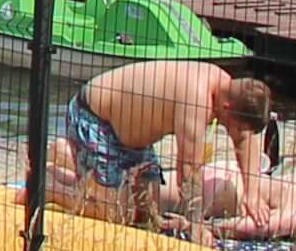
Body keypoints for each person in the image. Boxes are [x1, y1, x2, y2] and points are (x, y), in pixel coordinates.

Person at [53, 61, 275, 227]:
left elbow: (246, 139)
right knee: (117, 215)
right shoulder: (197, 99)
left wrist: (251, 191)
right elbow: (188, 171)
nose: (237, 135)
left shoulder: (229, 89)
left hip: (132, 139)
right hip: (95, 118)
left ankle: (66, 167)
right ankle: (48, 188)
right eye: (237, 127)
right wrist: (195, 226)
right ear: (227, 108)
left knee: (147, 212)